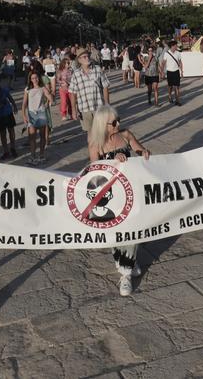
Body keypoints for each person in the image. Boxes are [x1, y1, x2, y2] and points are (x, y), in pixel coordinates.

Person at [86, 105, 151, 296]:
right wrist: (113, 162)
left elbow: (140, 151)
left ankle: (126, 273)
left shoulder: (126, 135)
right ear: (103, 125)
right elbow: (94, 172)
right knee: (116, 233)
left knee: (132, 232)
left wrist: (144, 153)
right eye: (113, 122)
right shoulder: (96, 144)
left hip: (131, 192)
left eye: (118, 119)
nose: (118, 124)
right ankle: (125, 262)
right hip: (111, 196)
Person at [70, 49, 111, 132]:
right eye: (84, 57)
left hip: (99, 107)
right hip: (84, 109)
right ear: (79, 60)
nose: (87, 58)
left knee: (102, 133)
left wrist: (107, 105)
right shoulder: (76, 74)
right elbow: (72, 93)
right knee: (90, 134)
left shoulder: (98, 69)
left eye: (88, 56)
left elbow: (105, 87)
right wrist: (74, 110)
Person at [22, 71, 52, 165]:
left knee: (42, 136)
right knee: (32, 137)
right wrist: (24, 115)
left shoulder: (42, 88)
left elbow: (50, 98)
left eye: (36, 77)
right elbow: (24, 104)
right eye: (33, 78)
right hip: (31, 114)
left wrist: (48, 101)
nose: (35, 79)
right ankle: (32, 155)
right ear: (30, 80)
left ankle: (42, 155)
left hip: (41, 113)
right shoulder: (27, 89)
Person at [160, 40, 185, 106]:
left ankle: (177, 100)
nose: (177, 46)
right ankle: (170, 96)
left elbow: (180, 62)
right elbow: (163, 63)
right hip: (169, 72)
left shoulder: (178, 53)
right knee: (170, 86)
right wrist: (162, 72)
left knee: (177, 87)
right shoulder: (166, 53)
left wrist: (182, 71)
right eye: (176, 45)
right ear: (172, 46)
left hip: (176, 71)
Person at [141, 41, 162, 106]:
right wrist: (149, 59)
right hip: (148, 75)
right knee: (149, 90)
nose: (151, 52)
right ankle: (149, 99)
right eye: (149, 51)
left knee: (155, 88)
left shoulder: (156, 58)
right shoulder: (145, 58)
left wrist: (161, 73)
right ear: (147, 51)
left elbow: (158, 65)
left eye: (151, 50)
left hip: (155, 75)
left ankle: (156, 102)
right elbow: (145, 66)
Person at [57, 54, 75, 121]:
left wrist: (71, 83)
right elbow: (58, 80)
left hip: (70, 89)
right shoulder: (60, 71)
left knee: (70, 102)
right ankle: (63, 115)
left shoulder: (71, 71)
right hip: (62, 89)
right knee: (64, 102)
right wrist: (62, 82)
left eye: (69, 63)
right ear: (64, 64)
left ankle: (71, 114)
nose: (68, 64)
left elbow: (74, 79)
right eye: (67, 63)